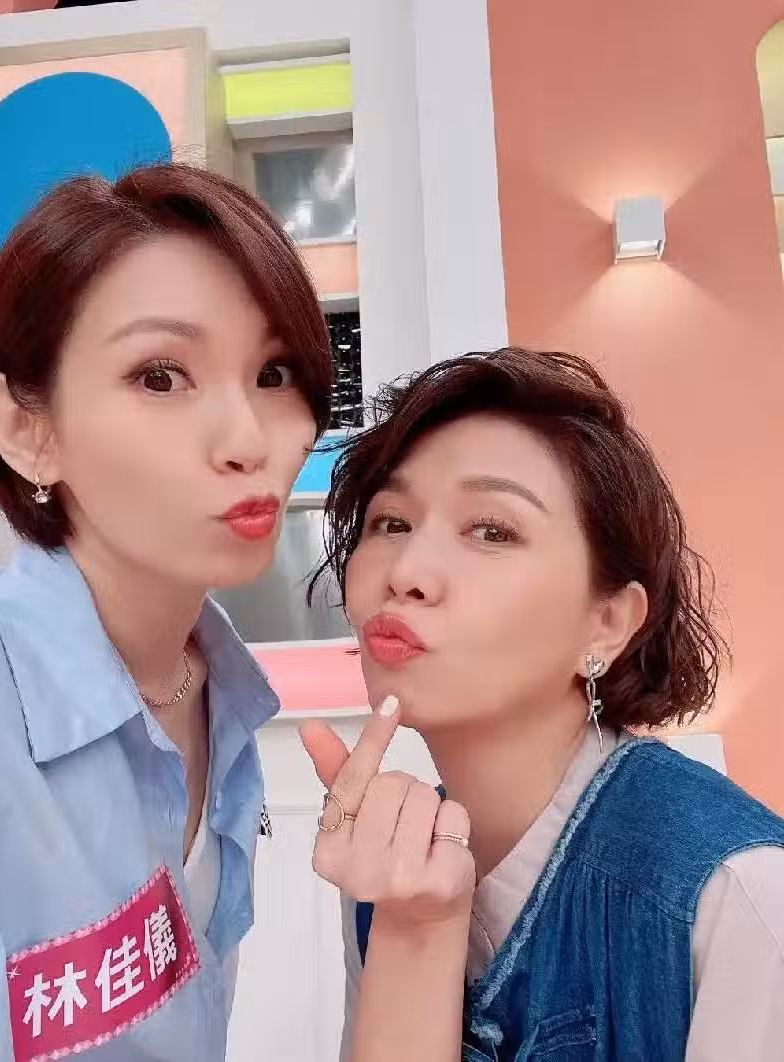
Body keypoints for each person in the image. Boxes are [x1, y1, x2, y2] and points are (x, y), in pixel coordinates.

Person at [0, 163, 334, 1061]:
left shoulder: (221, 695)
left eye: (273, 373)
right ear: (26, 429)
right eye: (161, 377)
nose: (248, 441)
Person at [303, 348, 784, 1061]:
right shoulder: (387, 872)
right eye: (391, 522)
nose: (405, 573)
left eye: (492, 531)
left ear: (607, 623)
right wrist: (414, 933)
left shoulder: (738, 896)